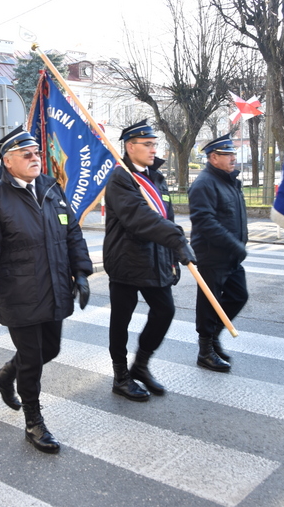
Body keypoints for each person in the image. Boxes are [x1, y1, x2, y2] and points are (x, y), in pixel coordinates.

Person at [0, 126, 92, 454]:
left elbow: (72, 233)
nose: (35, 158)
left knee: (49, 350)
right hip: (18, 293)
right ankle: (33, 421)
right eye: (27, 154)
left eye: (37, 152)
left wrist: (81, 272)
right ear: (8, 161)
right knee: (32, 360)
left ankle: (3, 376)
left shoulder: (52, 188)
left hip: (54, 287)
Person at [103, 119, 195, 401]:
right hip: (126, 260)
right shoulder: (121, 178)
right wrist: (177, 240)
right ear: (130, 147)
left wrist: (172, 257)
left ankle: (140, 365)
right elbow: (139, 218)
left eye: (155, 144)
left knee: (164, 311)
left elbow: (166, 218)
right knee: (121, 320)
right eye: (148, 144)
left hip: (156, 259)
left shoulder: (156, 178)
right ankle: (121, 376)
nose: (154, 149)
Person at [187, 134, 249, 373]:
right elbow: (204, 222)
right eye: (228, 154)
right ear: (213, 158)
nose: (233, 158)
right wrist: (234, 244)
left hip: (231, 255)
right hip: (212, 254)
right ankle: (205, 351)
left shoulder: (229, 181)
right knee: (208, 302)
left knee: (238, 296)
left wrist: (238, 245)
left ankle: (213, 339)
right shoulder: (204, 183)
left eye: (233, 154)